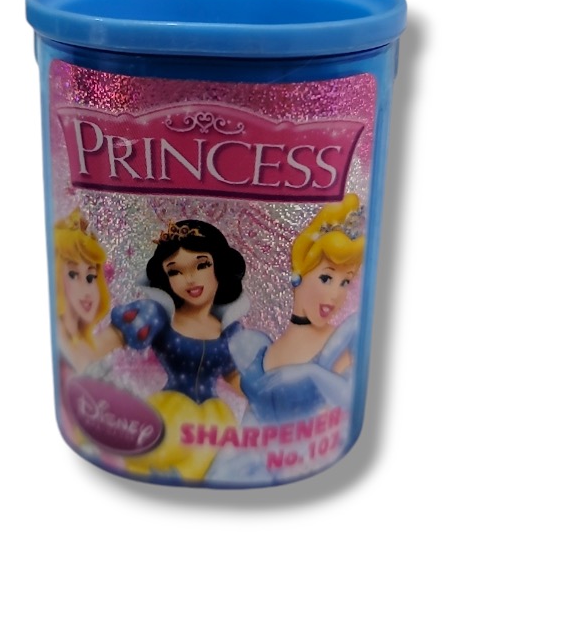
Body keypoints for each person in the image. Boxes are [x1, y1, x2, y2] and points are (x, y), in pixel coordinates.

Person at [208, 195, 365, 484]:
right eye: (326, 278)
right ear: (298, 275)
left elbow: (348, 401)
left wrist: (311, 373)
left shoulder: (341, 342)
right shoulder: (254, 345)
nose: (336, 295)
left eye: (346, 281)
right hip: (232, 469)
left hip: (295, 472)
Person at [88, 219, 250, 481]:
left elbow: (234, 376)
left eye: (201, 265)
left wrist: (268, 399)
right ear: (165, 278)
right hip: (171, 411)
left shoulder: (231, 330)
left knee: (214, 462)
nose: (190, 278)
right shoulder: (158, 316)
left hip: (216, 419)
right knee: (155, 458)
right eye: (175, 271)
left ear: (219, 266)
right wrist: (77, 357)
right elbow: (108, 341)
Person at [53, 209, 111, 368]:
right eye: (73, 275)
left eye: (90, 277)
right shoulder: (57, 338)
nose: (86, 291)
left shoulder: (82, 341)